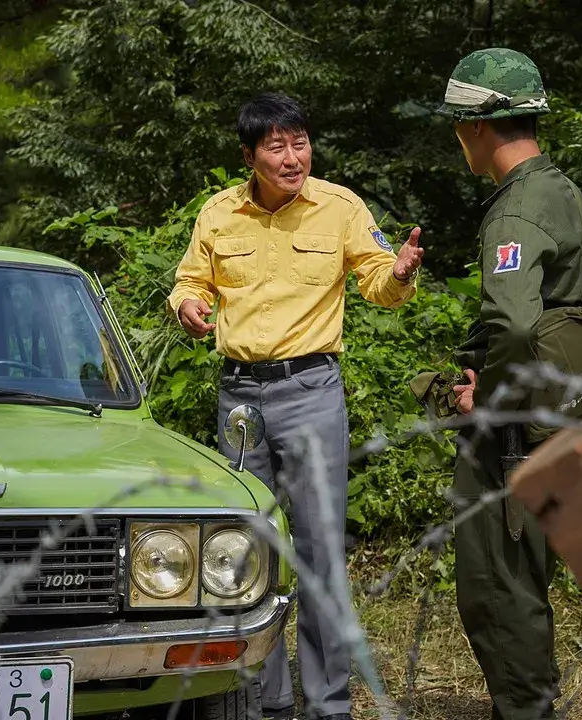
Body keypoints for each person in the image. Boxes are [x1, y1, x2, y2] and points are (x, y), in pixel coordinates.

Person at [168, 92, 425, 720]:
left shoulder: (340, 208)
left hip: (311, 392)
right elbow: (189, 280)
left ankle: (328, 704)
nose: (292, 158)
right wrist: (188, 306)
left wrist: (401, 272)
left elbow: (378, 285)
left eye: (300, 142)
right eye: (277, 146)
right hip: (238, 397)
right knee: (243, 552)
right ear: (250, 155)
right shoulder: (219, 214)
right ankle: (261, 699)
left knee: (318, 551)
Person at [434, 48, 582, 720]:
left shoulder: (515, 211)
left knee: (498, 588)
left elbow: (515, 328)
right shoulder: (565, 191)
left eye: (459, 128)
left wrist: (482, 401)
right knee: (527, 583)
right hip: (562, 415)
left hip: (514, 433)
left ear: (478, 128)